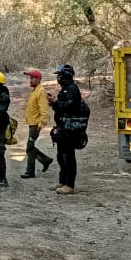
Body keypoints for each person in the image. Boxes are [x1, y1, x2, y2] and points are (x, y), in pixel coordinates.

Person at [49, 64, 86, 195]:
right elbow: (60, 108)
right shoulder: (64, 89)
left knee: (68, 156)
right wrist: (54, 103)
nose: (58, 77)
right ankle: (62, 181)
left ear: (65, 75)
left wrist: (55, 102)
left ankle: (70, 185)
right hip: (62, 127)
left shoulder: (72, 89)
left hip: (70, 129)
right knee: (60, 155)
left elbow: (69, 107)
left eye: (59, 74)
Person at [19, 68, 53, 179]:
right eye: (30, 78)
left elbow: (44, 108)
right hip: (32, 123)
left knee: (29, 147)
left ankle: (30, 171)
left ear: (38, 79)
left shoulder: (41, 91)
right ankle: (45, 160)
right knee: (30, 146)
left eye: (33, 78)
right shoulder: (34, 91)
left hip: (36, 124)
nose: (31, 80)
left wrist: (42, 122)